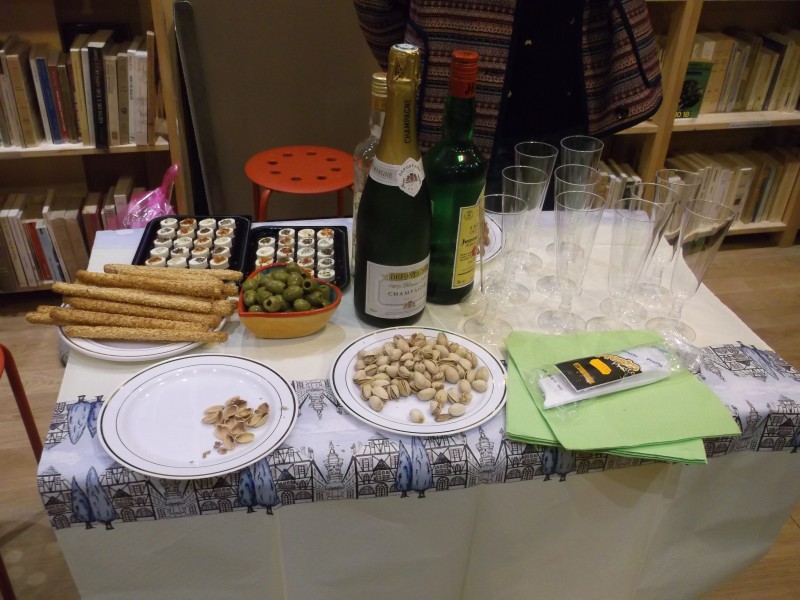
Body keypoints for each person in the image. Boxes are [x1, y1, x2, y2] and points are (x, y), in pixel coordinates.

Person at [353, 0, 663, 203]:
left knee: (553, 257)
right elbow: (376, 8)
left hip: (573, 109)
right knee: (451, 255)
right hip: (460, 114)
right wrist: (413, 71)